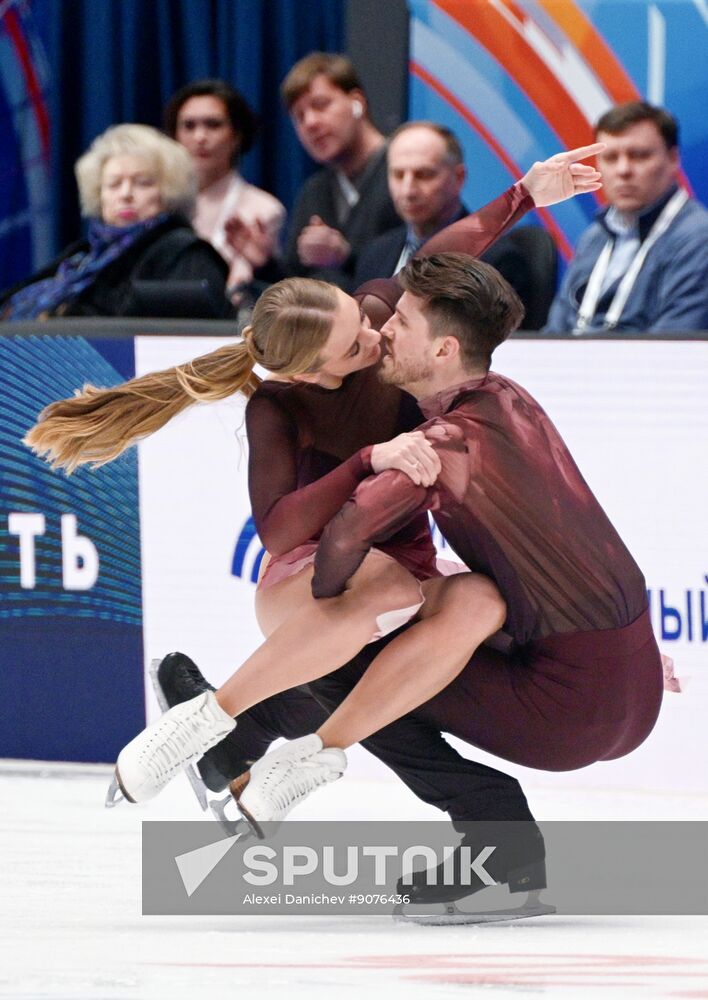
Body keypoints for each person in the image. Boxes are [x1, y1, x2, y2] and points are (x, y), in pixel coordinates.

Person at [24, 144, 604, 834]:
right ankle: (204, 722)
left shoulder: (376, 316)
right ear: (307, 375)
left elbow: (434, 260)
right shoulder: (278, 407)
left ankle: (301, 757)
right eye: (355, 345)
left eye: (362, 318)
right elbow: (278, 531)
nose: (378, 335)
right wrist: (365, 461)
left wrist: (525, 193)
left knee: (480, 599)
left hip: (406, 567)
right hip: (307, 575)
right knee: (384, 592)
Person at [0, 124, 231, 320]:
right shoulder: (82, 256)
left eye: (143, 183)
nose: (126, 194)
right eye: (114, 184)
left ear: (169, 191)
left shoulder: (186, 253)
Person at [354, 121, 554, 327]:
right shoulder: (375, 253)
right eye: (398, 175)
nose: (408, 191)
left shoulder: (495, 260)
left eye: (423, 175)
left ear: (459, 178)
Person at [545, 101, 708, 333]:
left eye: (639, 156)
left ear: (673, 159)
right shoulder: (594, 236)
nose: (623, 170)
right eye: (610, 158)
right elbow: (554, 332)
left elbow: (674, 342)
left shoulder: (698, 238)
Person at [281, 52, 400, 290]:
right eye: (299, 116)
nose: (310, 123)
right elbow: (293, 285)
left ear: (357, 103)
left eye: (320, 105)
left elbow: (416, 263)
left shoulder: (404, 173)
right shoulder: (314, 191)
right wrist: (263, 261)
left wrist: (345, 257)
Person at [165, 79, 285, 295]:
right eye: (189, 126)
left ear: (236, 135)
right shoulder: (161, 206)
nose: (200, 137)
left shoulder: (264, 209)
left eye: (213, 125)